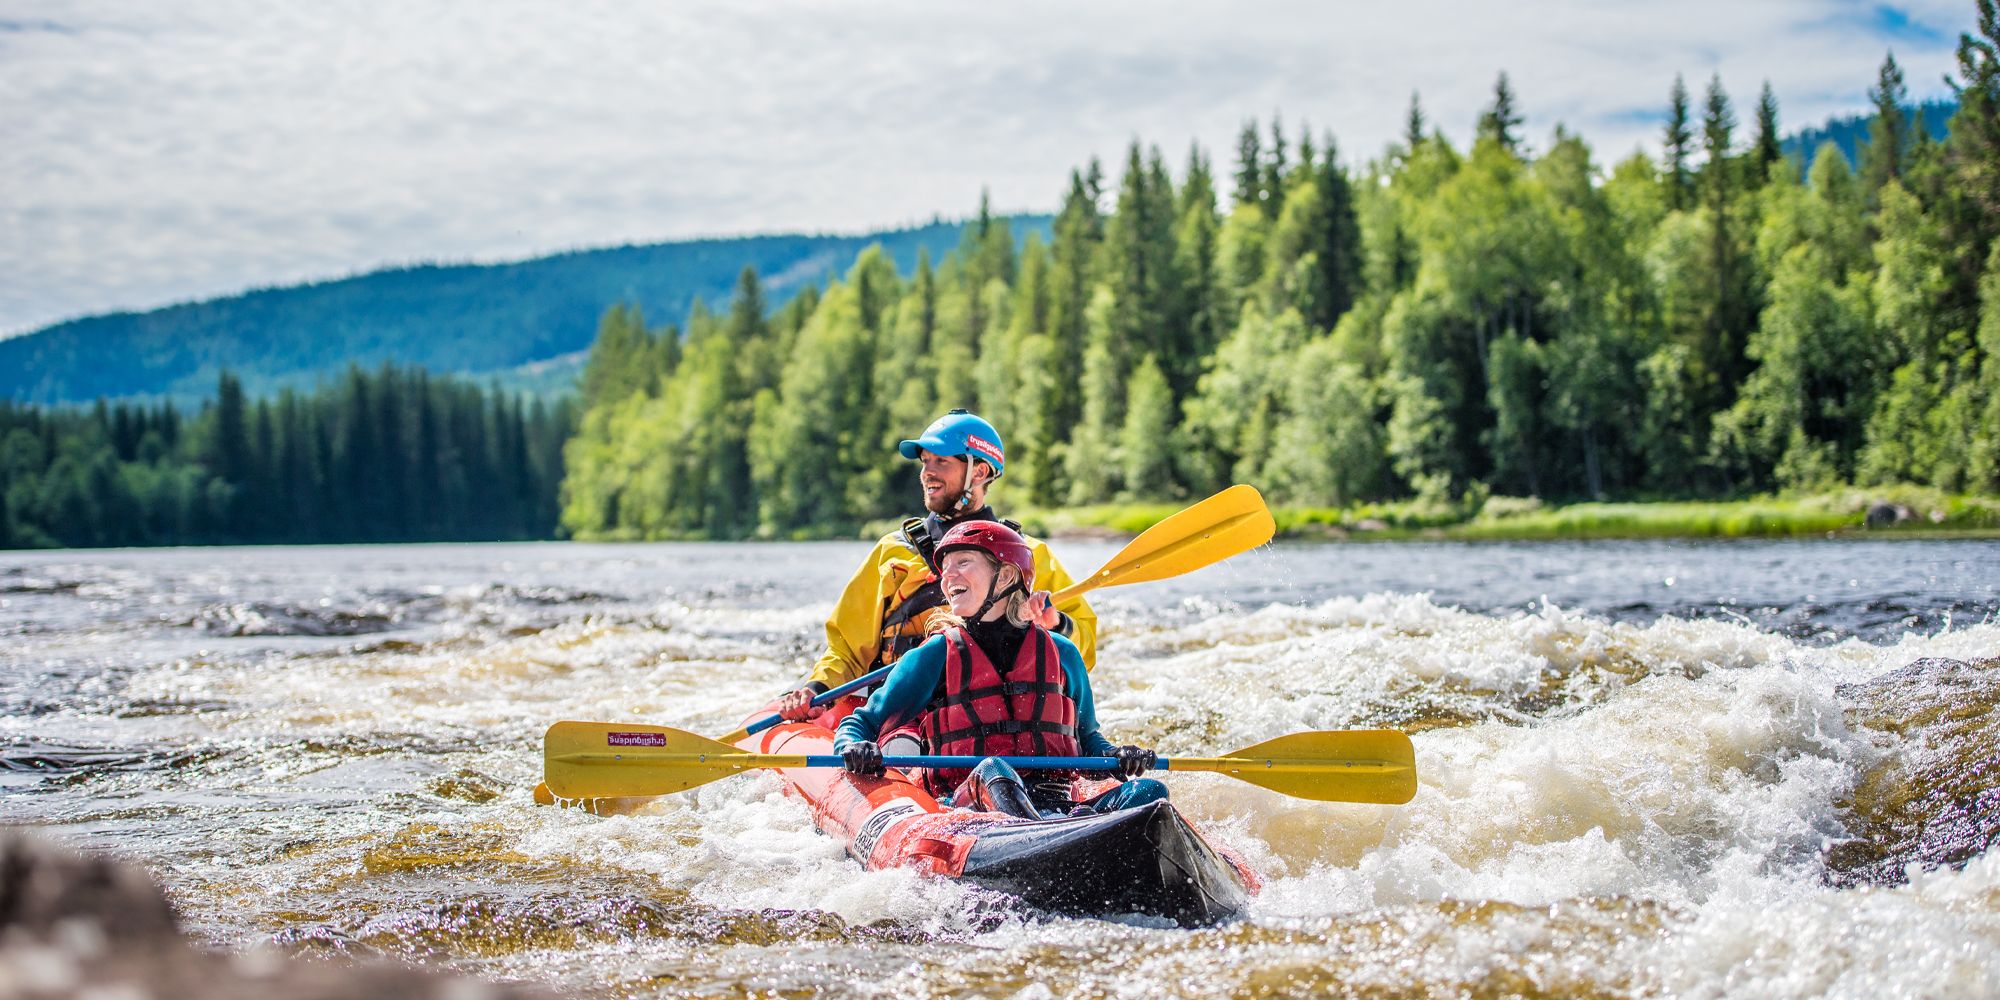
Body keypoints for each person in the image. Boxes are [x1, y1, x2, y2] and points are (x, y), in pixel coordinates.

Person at [774, 410, 1097, 734]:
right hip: (907, 717)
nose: (927, 473)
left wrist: (1057, 625)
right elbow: (847, 648)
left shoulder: (1027, 555)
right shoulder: (894, 552)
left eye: (941, 462)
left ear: (979, 471)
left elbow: (1082, 650)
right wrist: (816, 689)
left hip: (1004, 720)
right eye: (925, 462)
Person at [831, 521, 1163, 818]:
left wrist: (1118, 756)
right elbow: (862, 723)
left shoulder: (1062, 653)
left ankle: (1059, 835)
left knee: (1150, 793)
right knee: (995, 769)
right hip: (969, 805)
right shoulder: (935, 655)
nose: (948, 576)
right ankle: (1045, 840)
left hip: (1056, 807)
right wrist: (853, 747)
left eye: (963, 563)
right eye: (945, 567)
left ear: (1004, 576)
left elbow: (1089, 740)